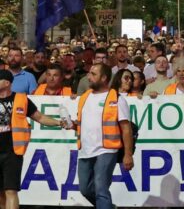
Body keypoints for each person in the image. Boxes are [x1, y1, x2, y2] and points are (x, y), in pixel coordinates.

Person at [0, 69, 68, 209]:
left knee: (11, 190)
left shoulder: (21, 99)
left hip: (13, 151)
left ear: (7, 83)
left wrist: (58, 122)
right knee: (0, 193)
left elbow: (40, 117)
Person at [76, 63, 135, 209]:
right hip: (85, 150)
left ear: (104, 78)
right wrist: (71, 124)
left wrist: (128, 154)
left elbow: (126, 129)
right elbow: (81, 122)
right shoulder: (85, 97)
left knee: (101, 189)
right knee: (85, 189)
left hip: (107, 149)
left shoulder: (117, 99)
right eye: (89, 73)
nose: (89, 77)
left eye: (93, 74)